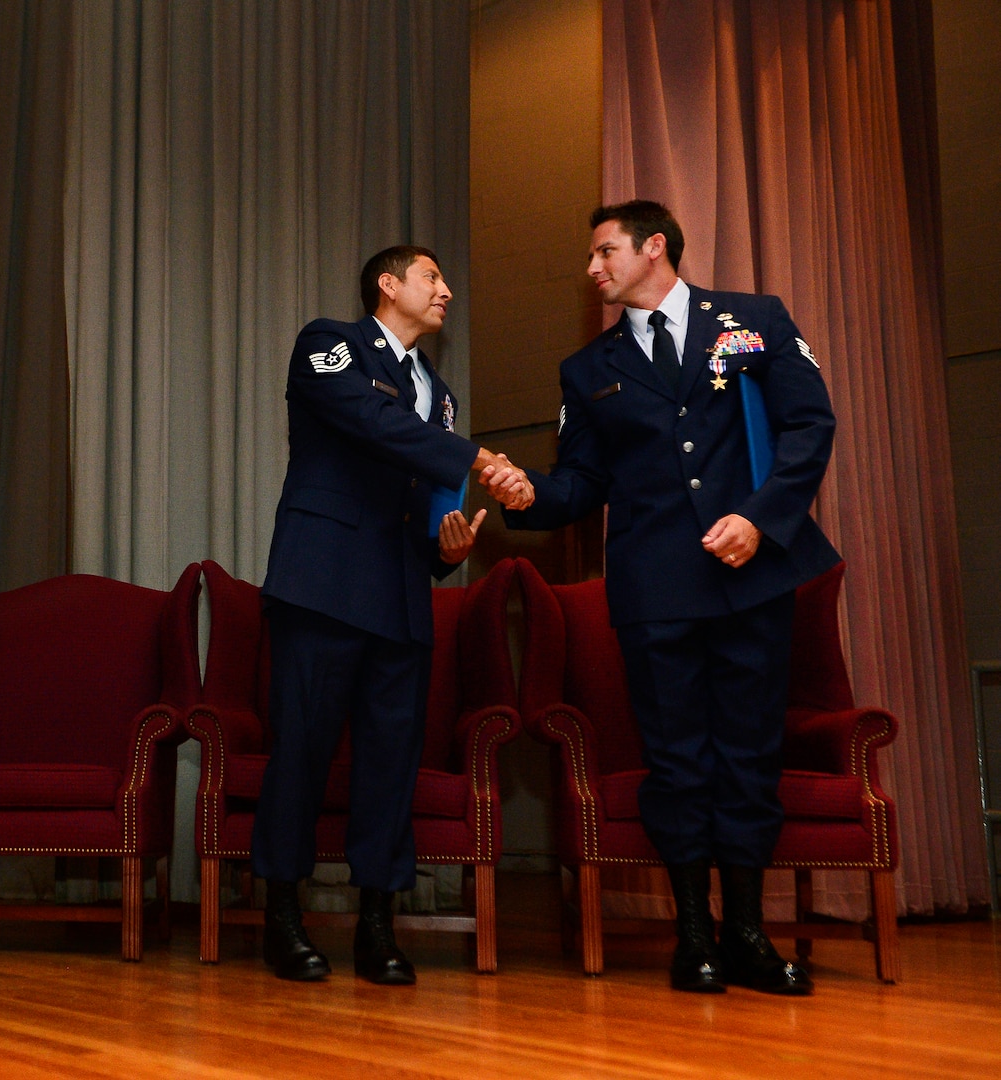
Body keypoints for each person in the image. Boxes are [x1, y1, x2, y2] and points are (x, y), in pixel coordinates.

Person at [481, 200, 838, 995]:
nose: (593, 268)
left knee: (748, 758)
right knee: (677, 763)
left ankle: (747, 934)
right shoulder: (589, 369)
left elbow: (810, 427)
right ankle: (694, 938)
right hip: (655, 593)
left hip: (751, 578)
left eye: (605, 251)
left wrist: (760, 518)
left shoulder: (753, 321)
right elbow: (580, 485)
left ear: (654, 248)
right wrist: (523, 491)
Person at [255, 245, 515, 985]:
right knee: (301, 752)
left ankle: (377, 927)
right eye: (435, 277)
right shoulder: (330, 343)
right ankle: (282, 919)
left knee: (389, 765)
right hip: (324, 583)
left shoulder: (442, 395)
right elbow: (370, 421)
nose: (447, 292)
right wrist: (474, 458)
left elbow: (428, 509)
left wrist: (448, 547)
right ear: (388, 282)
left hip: (401, 597)